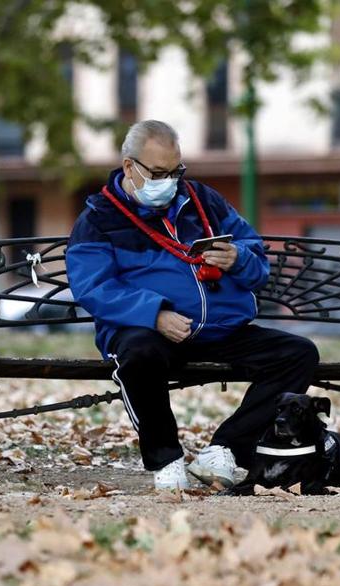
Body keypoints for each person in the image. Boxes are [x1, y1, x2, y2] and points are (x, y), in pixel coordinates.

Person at [65, 120, 319, 491]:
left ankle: (225, 450)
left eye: (176, 171)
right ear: (129, 168)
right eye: (158, 173)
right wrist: (154, 313)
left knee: (298, 354)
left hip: (219, 328)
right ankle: (166, 460)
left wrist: (237, 259)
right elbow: (93, 287)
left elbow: (256, 260)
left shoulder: (204, 200)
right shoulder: (99, 218)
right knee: (138, 356)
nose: (169, 182)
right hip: (150, 331)